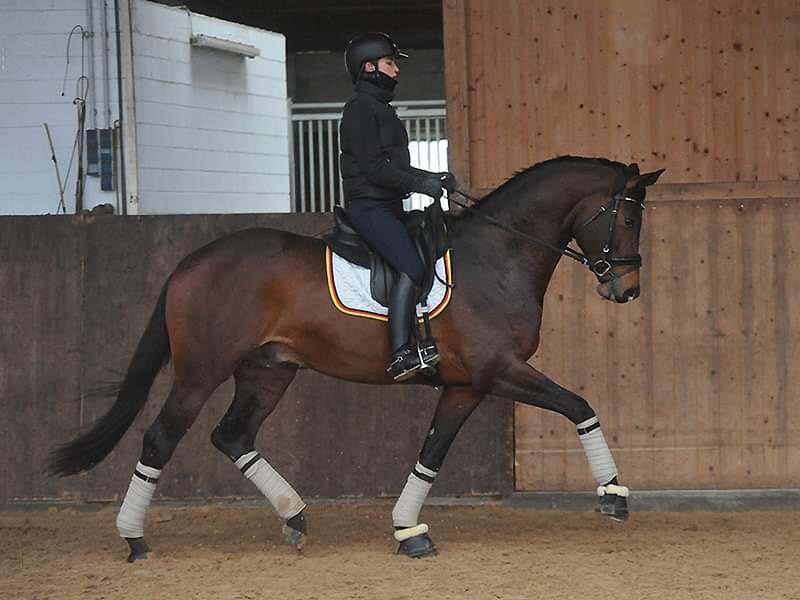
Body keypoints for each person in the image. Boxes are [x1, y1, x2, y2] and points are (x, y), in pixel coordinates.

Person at [340, 32, 456, 381]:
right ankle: (402, 353)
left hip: (390, 207)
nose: (396, 71)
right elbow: (376, 169)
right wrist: (422, 184)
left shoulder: (380, 109)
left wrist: (434, 178)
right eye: (391, 63)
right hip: (369, 209)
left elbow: (397, 169)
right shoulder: (360, 110)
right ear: (370, 67)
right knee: (411, 266)